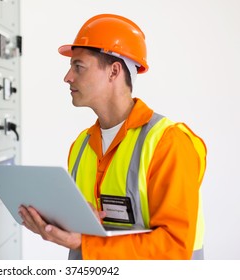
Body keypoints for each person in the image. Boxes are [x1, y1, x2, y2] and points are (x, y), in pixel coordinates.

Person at [19, 14, 207, 260]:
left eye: (79, 66)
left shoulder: (168, 142)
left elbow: (174, 246)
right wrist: (55, 224)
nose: (68, 77)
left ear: (114, 71)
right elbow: (88, 231)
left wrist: (85, 242)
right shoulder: (81, 146)